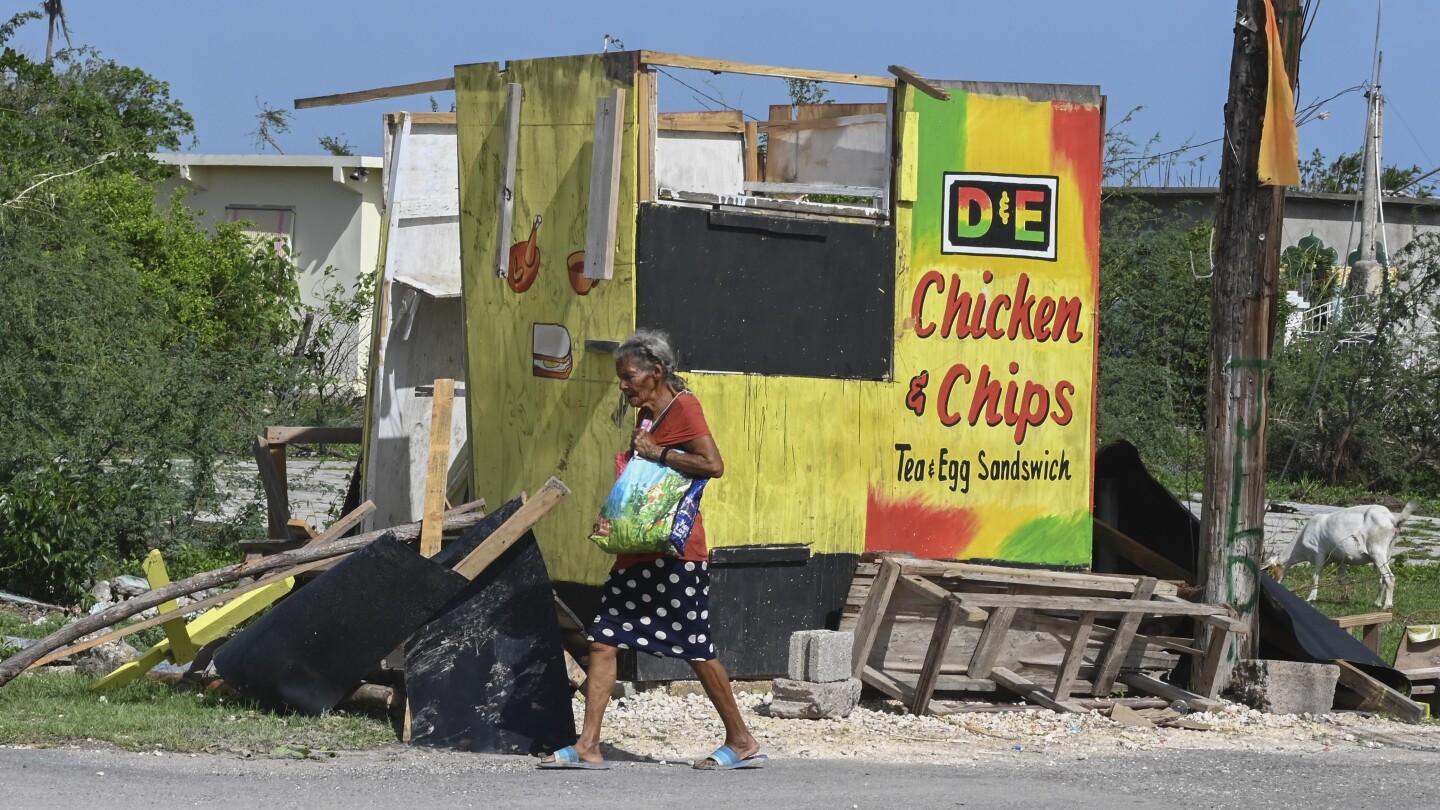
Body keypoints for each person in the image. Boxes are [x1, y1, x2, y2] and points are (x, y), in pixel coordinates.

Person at [540, 329, 765, 771]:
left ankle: (741, 739)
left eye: (628, 376)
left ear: (656, 372)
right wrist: (613, 517)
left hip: (676, 555)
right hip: (637, 549)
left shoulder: (684, 407)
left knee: (696, 647)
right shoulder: (646, 416)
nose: (622, 385)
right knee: (603, 639)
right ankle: (588, 745)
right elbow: (639, 483)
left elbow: (713, 465)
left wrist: (661, 454)